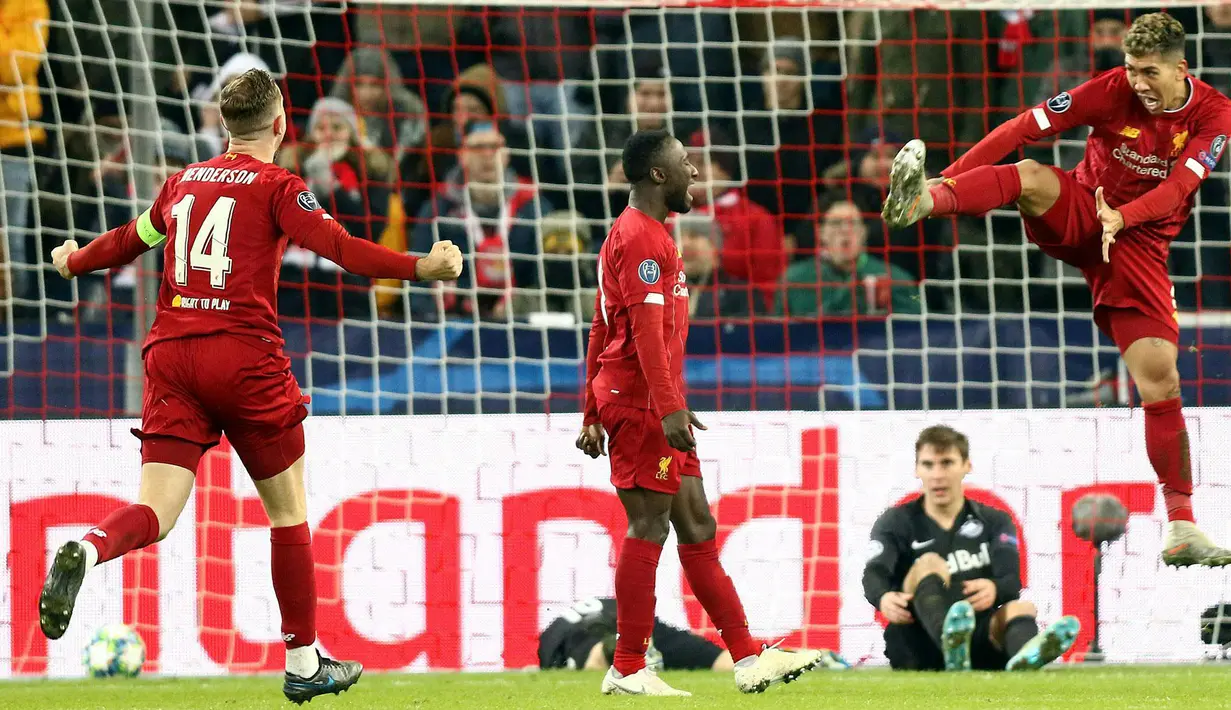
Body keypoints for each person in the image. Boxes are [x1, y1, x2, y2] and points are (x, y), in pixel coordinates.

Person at [38, 69, 463, 704]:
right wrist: (421, 267)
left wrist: (73, 260)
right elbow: (341, 248)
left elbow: (131, 240)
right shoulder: (279, 187)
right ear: (281, 125)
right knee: (287, 511)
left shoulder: (181, 184)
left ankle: (88, 545)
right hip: (243, 355)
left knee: (157, 512)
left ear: (226, 125)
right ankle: (303, 660)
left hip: (171, 355)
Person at [880, 13, 1231, 567]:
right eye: (1130, 70)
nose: (1137, 82)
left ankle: (1182, 526)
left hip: (1137, 246)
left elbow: (1178, 189)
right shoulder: (1110, 90)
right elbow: (1024, 126)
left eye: (1149, 72)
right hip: (1082, 212)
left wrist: (1125, 217)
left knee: (1161, 379)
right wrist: (945, 177)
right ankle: (925, 200)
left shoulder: (1214, 114)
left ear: (1180, 67)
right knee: (1031, 174)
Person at [575, 129, 823, 697]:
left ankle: (747, 657)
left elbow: (600, 324)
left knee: (698, 526)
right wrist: (666, 409)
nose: (695, 173)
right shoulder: (640, 238)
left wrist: (591, 409)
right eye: (686, 164)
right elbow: (640, 335)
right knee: (649, 525)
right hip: (641, 405)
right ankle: (629, 665)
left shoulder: (647, 232)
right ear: (658, 175)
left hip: (646, 401)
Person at [864, 425, 1081, 671]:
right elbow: (874, 572)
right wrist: (883, 598)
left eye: (947, 463)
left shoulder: (994, 521)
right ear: (916, 469)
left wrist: (995, 588)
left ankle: (1026, 660)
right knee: (930, 562)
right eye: (928, 465)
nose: (937, 475)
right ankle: (950, 644)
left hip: (975, 636)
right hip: (915, 641)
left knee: (1022, 609)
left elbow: (1011, 581)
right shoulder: (896, 521)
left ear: (967, 465)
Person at [538, 596, 851, 674]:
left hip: (614, 619)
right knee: (722, 663)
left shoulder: (557, 642)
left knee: (593, 663)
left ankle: (631, 648)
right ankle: (817, 657)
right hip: (623, 616)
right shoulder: (555, 638)